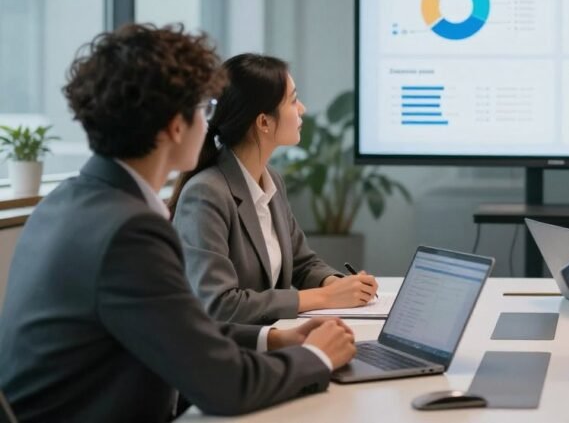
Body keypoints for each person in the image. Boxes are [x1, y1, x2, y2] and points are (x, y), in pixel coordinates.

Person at [0, 24, 357, 422]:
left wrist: (273, 338)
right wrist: (316, 357)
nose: (210, 125)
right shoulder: (129, 231)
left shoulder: (68, 201)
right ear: (175, 126)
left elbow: (178, 330)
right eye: (203, 111)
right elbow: (226, 387)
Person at [170, 54, 377, 325]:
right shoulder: (206, 193)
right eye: (293, 100)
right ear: (264, 123)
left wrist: (339, 285)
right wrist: (325, 298)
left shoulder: (271, 181)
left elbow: (303, 263)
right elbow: (220, 304)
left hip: (271, 340)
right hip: (229, 355)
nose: (302, 109)